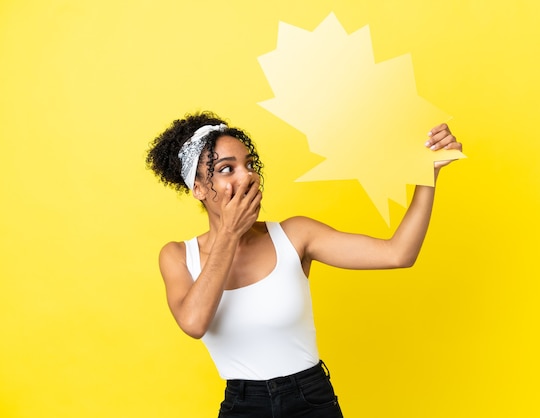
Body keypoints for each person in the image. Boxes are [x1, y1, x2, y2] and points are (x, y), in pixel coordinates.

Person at [146, 110, 462, 418]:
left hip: (311, 398)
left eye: (249, 164)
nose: (247, 176)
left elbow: (398, 254)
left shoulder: (295, 235)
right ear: (198, 189)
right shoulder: (177, 256)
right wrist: (229, 233)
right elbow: (194, 323)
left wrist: (428, 173)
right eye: (227, 169)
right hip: (243, 405)